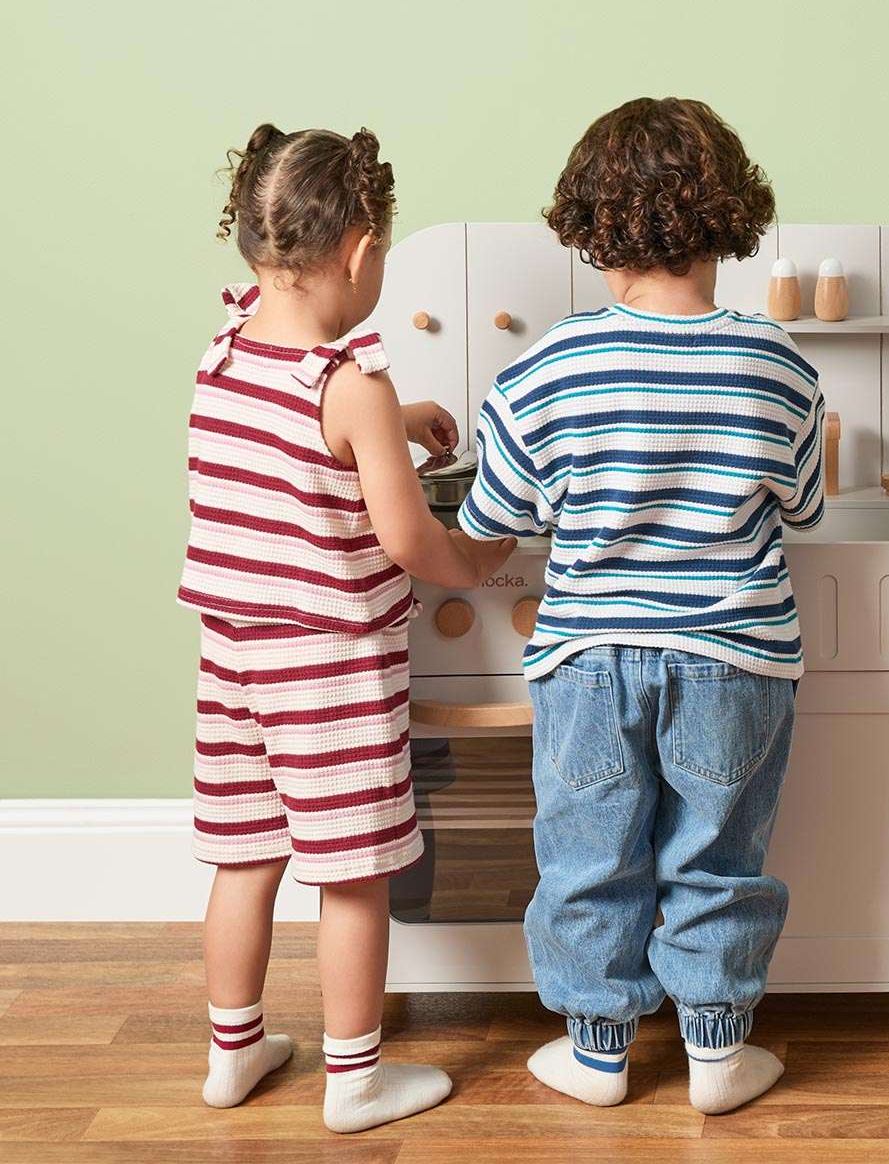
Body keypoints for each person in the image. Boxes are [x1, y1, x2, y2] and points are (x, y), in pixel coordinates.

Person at [458, 97, 825, 1115]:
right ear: (729, 218)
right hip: (735, 657)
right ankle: (715, 1054)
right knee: (717, 855)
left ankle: (597, 1052)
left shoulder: (548, 367)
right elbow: (802, 503)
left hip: (588, 661)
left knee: (588, 855)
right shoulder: (779, 364)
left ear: (590, 226)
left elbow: (498, 516)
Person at [178, 124, 513, 1132]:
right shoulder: (352, 383)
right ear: (362, 253)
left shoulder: (227, 348)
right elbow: (409, 539)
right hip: (327, 663)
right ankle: (355, 1078)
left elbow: (293, 447)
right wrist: (483, 559)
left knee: (249, 856)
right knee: (355, 870)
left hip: (234, 651)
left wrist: (398, 420)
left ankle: (232, 1051)